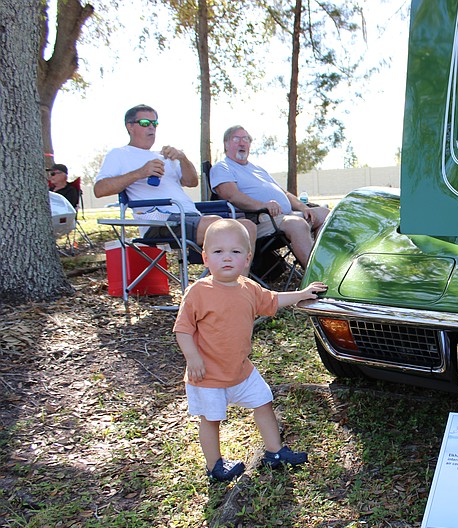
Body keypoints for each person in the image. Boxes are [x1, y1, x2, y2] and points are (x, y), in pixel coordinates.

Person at [173, 218, 328, 483]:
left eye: (235, 252)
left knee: (263, 401)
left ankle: (275, 452)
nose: (227, 258)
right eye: (218, 252)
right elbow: (183, 329)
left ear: (247, 259)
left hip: (241, 370)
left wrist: (302, 294)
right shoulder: (198, 292)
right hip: (208, 375)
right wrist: (193, 357)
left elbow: (274, 300)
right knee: (211, 420)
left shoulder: (249, 288)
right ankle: (215, 466)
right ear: (206, 258)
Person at [93, 104, 257, 257]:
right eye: (144, 123)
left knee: (248, 227)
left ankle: (239, 285)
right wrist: (140, 173)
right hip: (159, 222)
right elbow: (99, 190)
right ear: (130, 127)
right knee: (219, 226)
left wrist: (182, 158)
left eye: (154, 123)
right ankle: (218, 285)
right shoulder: (119, 154)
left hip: (190, 216)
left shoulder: (164, 155)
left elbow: (192, 181)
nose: (151, 127)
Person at [209, 125, 330, 266]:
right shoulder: (222, 167)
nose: (242, 143)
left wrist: (303, 208)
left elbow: (284, 193)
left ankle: (327, 265)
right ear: (226, 144)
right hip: (260, 220)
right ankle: (316, 275)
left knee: (326, 215)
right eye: (236, 139)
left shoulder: (257, 169)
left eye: (246, 139)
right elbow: (232, 196)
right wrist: (263, 205)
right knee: (297, 224)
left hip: (285, 216)